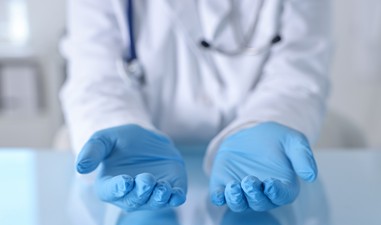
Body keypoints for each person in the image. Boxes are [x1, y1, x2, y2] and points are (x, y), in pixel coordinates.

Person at [60, 0, 331, 213]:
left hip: (263, 163)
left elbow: (298, 70)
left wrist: (271, 119)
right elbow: (95, 74)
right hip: (136, 149)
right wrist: (115, 122)